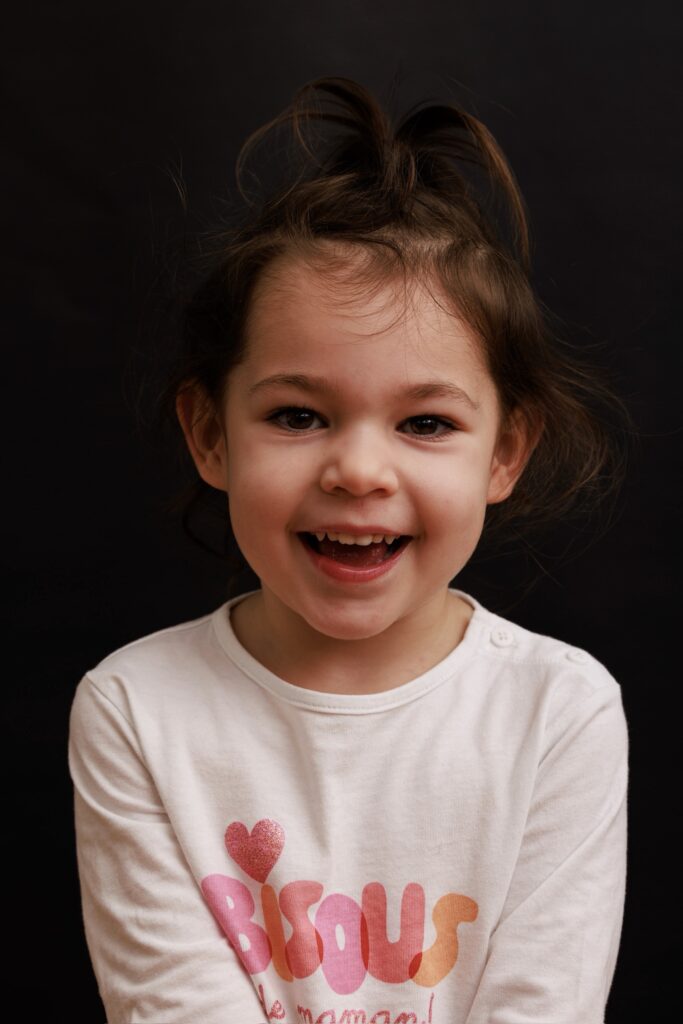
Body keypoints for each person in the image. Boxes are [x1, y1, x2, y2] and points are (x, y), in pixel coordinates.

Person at [68, 76, 630, 1024]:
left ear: (504, 452)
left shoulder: (559, 711)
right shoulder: (134, 708)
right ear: (209, 434)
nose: (359, 471)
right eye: (298, 416)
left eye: (425, 423)